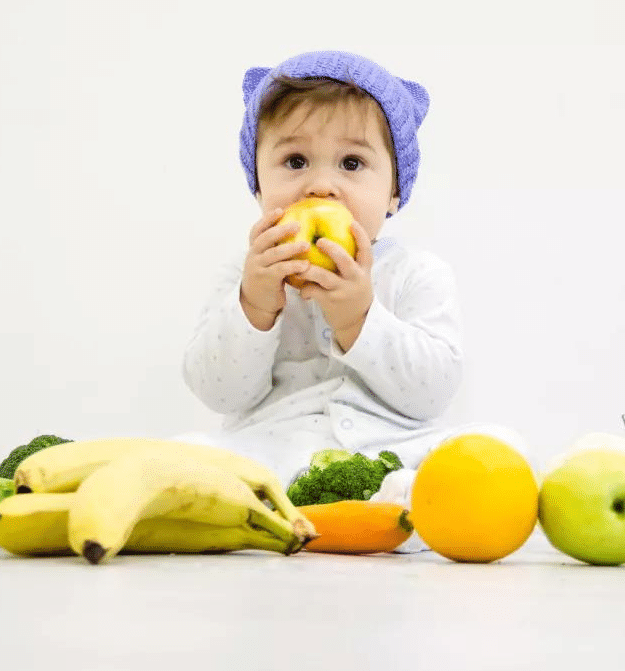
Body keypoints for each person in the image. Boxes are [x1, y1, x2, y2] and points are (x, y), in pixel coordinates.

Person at [177, 51, 470, 535]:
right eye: (295, 161)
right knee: (189, 452)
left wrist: (360, 318)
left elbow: (432, 394)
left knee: (495, 445)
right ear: (257, 186)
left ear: (395, 192)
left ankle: (399, 503)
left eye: (352, 163)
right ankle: (275, 509)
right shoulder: (245, 273)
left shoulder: (417, 273)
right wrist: (253, 306)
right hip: (272, 447)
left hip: (392, 447)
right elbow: (219, 394)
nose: (321, 185)